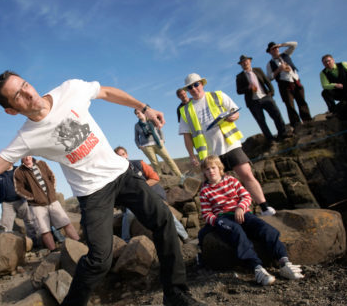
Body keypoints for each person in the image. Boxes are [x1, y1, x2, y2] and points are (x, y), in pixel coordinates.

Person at [0, 71, 210, 306]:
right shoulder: (27, 137)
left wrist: (144, 107)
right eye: (17, 95)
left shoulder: (70, 89)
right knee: (99, 259)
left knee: (162, 220)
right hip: (92, 193)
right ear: (11, 110)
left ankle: (175, 293)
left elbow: (108, 92)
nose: (28, 92)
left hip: (121, 174)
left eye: (25, 84)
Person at [179, 72, 276, 216]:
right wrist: (192, 156)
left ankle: (264, 207)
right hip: (209, 154)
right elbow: (187, 136)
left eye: (196, 84)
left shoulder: (217, 95)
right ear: (187, 90)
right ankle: (226, 215)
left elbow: (235, 112)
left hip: (230, 144)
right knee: (216, 187)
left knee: (247, 174)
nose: (194, 89)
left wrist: (233, 116)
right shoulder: (185, 110)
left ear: (202, 84)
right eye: (190, 87)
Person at [198, 155, 304, 285]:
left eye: (213, 167)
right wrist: (216, 222)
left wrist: (240, 208)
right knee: (237, 233)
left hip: (241, 212)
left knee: (266, 229)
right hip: (223, 217)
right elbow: (206, 213)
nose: (211, 171)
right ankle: (257, 269)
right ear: (204, 172)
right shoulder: (205, 190)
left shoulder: (231, 180)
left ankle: (284, 263)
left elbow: (246, 196)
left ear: (219, 168)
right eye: (207, 169)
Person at [114, 146, 189, 243]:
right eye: (119, 156)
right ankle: (126, 240)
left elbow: (155, 178)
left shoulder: (139, 164)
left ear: (127, 154)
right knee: (128, 214)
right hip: (134, 201)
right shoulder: (117, 174)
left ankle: (185, 236)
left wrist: (140, 186)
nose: (122, 157)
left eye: (123, 154)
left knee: (164, 211)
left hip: (151, 195)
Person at [14, 156, 80, 251]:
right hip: (37, 205)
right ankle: (54, 251)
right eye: (24, 157)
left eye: (28, 155)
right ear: (21, 158)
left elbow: (51, 176)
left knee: (66, 223)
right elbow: (19, 189)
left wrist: (52, 191)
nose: (27, 158)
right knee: (45, 230)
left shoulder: (41, 163)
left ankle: (78, 242)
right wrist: (34, 197)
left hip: (52, 201)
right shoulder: (19, 171)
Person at [235, 55, 289, 142]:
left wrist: (271, 92)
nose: (245, 63)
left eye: (246, 61)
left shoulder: (258, 70)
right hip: (253, 102)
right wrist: (248, 88)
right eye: (243, 62)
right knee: (261, 121)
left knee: (277, 115)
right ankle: (270, 140)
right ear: (241, 65)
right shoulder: (239, 77)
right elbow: (238, 91)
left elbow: (267, 81)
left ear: (250, 61)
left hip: (265, 97)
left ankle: (283, 134)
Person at [266, 41, 312, 128]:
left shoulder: (286, 55)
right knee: (290, 105)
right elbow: (270, 77)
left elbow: (294, 44)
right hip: (284, 85)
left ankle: (307, 120)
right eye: (273, 49)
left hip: (295, 81)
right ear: (269, 52)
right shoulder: (269, 64)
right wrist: (279, 69)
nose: (275, 49)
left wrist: (281, 45)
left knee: (302, 101)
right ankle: (296, 124)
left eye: (276, 48)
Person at [134, 108, 183, 177]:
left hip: (158, 143)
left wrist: (162, 139)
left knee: (168, 159)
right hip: (146, 146)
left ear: (143, 113)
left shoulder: (152, 121)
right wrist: (139, 146)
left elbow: (160, 130)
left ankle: (180, 175)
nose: (137, 115)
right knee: (155, 163)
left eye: (138, 113)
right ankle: (161, 178)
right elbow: (136, 138)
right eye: (136, 114)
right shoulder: (137, 125)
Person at [0, 164, 37, 239]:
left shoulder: (19, 170)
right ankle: (9, 245)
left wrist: (28, 195)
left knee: (29, 220)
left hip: (21, 200)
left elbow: (28, 182)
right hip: (7, 203)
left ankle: (34, 240)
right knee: (6, 226)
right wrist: (1, 200)